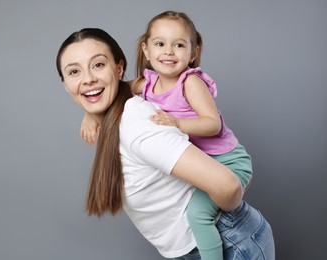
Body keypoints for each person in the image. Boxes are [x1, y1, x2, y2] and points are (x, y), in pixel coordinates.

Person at [56, 27, 275, 259]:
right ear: (65, 84)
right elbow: (107, 88)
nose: (88, 78)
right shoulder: (120, 116)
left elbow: (228, 185)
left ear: (119, 68)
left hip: (230, 242)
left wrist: (229, 215)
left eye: (98, 65)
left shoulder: (138, 124)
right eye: (74, 72)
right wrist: (90, 113)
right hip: (200, 246)